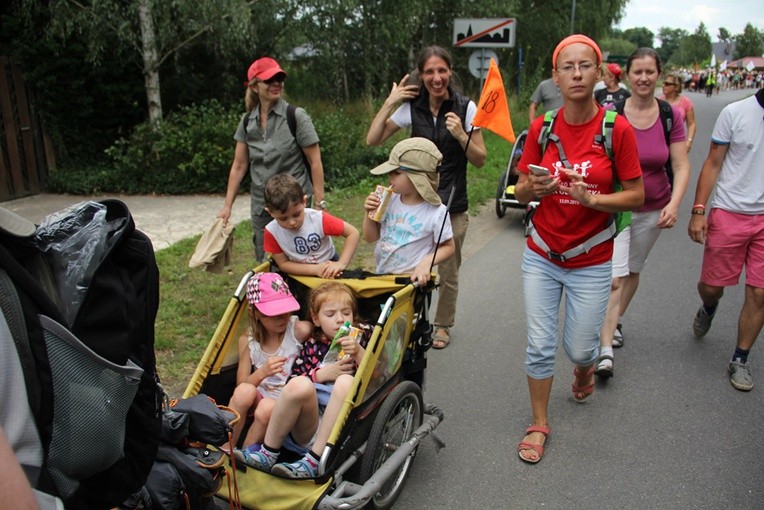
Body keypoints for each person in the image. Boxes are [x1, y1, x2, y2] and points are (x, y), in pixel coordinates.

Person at [512, 34, 644, 463]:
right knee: (539, 344)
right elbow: (519, 190)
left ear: (599, 72)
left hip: (591, 258)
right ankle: (538, 423)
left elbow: (637, 196)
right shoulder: (542, 127)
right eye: (567, 67)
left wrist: (594, 200)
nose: (576, 74)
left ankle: (585, 367)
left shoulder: (615, 128)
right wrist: (534, 186)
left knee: (581, 348)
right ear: (556, 76)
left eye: (585, 65)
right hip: (542, 253)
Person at [366, 45, 485, 349]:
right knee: (407, 267)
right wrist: (390, 102)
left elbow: (481, 158)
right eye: (430, 71)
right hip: (415, 204)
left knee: (447, 268)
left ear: (450, 71)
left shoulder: (466, 107)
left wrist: (461, 134)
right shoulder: (412, 108)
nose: (436, 77)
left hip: (451, 205)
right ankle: (408, 319)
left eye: (442, 70)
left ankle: (443, 324)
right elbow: (373, 138)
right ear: (421, 75)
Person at [597, 48, 690, 376]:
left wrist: (675, 203)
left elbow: (680, 164)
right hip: (620, 207)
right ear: (628, 74)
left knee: (633, 269)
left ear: (659, 74)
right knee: (616, 276)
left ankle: (615, 321)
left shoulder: (670, 115)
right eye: (637, 71)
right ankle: (605, 349)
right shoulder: (612, 114)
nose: (644, 78)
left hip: (654, 209)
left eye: (650, 71)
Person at [235, 281, 371, 478]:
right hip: (309, 423)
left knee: (345, 381)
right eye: (330, 315)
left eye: (346, 313)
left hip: (344, 425)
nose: (340, 320)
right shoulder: (312, 344)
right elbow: (293, 379)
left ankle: (314, 461)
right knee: (299, 383)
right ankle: (268, 453)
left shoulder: (363, 335)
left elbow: (378, 374)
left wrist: (359, 353)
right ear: (316, 319)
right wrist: (320, 375)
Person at [688, 87, 764, 392]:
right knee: (711, 287)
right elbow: (713, 163)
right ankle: (708, 306)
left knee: (760, 293)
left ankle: (740, 358)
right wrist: (698, 210)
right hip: (730, 212)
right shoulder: (735, 112)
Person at [218, 56, 326, 262]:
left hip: (294, 202)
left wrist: (320, 203)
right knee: (266, 259)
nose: (276, 84)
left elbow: (315, 161)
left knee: (301, 256)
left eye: (279, 79)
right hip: (262, 204)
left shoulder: (296, 116)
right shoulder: (247, 121)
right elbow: (239, 166)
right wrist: (227, 206)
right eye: (269, 80)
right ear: (255, 86)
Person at [227, 272, 312, 451]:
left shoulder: (298, 331)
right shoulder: (251, 342)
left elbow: (323, 334)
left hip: (287, 404)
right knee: (243, 392)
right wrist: (262, 372)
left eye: (285, 310)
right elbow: (241, 385)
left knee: (266, 407)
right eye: (273, 314)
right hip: (259, 398)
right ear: (255, 313)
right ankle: (225, 447)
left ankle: (245, 455)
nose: (282, 318)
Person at [363, 137, 456, 285]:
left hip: (412, 283)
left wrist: (426, 263)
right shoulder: (390, 200)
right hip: (382, 278)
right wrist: (369, 214)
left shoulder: (436, 212)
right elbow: (370, 237)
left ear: (418, 177)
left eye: (397, 173)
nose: (390, 176)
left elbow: (449, 247)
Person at [263, 174, 359, 278]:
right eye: (283, 218)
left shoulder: (318, 219)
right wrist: (315, 269)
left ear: (304, 201)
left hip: (329, 267)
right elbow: (283, 264)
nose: (292, 222)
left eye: (296, 214)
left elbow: (353, 233)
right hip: (299, 273)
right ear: (270, 213)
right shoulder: (271, 232)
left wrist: (341, 264)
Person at [660, 72, 696, 153]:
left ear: (676, 87)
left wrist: (689, 141)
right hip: (660, 142)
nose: (663, 86)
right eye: (663, 83)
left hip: (678, 142)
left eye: (667, 84)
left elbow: (691, 124)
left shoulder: (686, 102)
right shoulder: (659, 102)